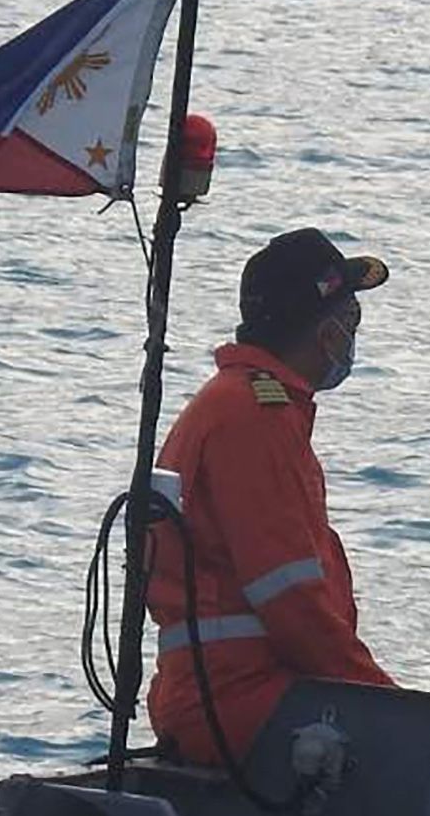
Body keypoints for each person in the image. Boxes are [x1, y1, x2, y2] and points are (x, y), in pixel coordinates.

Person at [145, 228, 396, 766]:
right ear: (326, 332)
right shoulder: (256, 420)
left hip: (227, 692)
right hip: (242, 700)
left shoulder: (239, 405)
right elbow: (291, 602)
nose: (353, 335)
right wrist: (384, 702)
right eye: (351, 320)